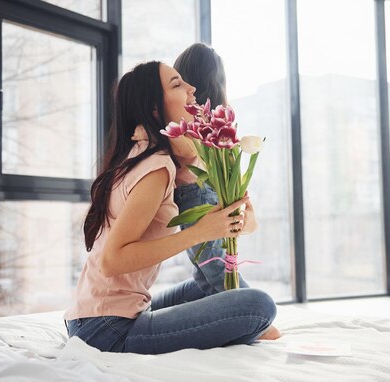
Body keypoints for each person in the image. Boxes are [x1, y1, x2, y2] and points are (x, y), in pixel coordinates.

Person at [64, 61, 278, 355]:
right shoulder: (156, 168)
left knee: (204, 287)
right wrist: (199, 232)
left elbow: (190, 156)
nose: (191, 89)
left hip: (97, 316)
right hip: (108, 329)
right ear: (154, 108)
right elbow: (112, 261)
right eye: (178, 85)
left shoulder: (142, 154)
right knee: (259, 305)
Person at [172, 42, 250, 293]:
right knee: (213, 269)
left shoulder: (186, 116)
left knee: (212, 269)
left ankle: (248, 313)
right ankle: (244, 314)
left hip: (197, 192)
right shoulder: (215, 119)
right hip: (207, 191)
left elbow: (183, 151)